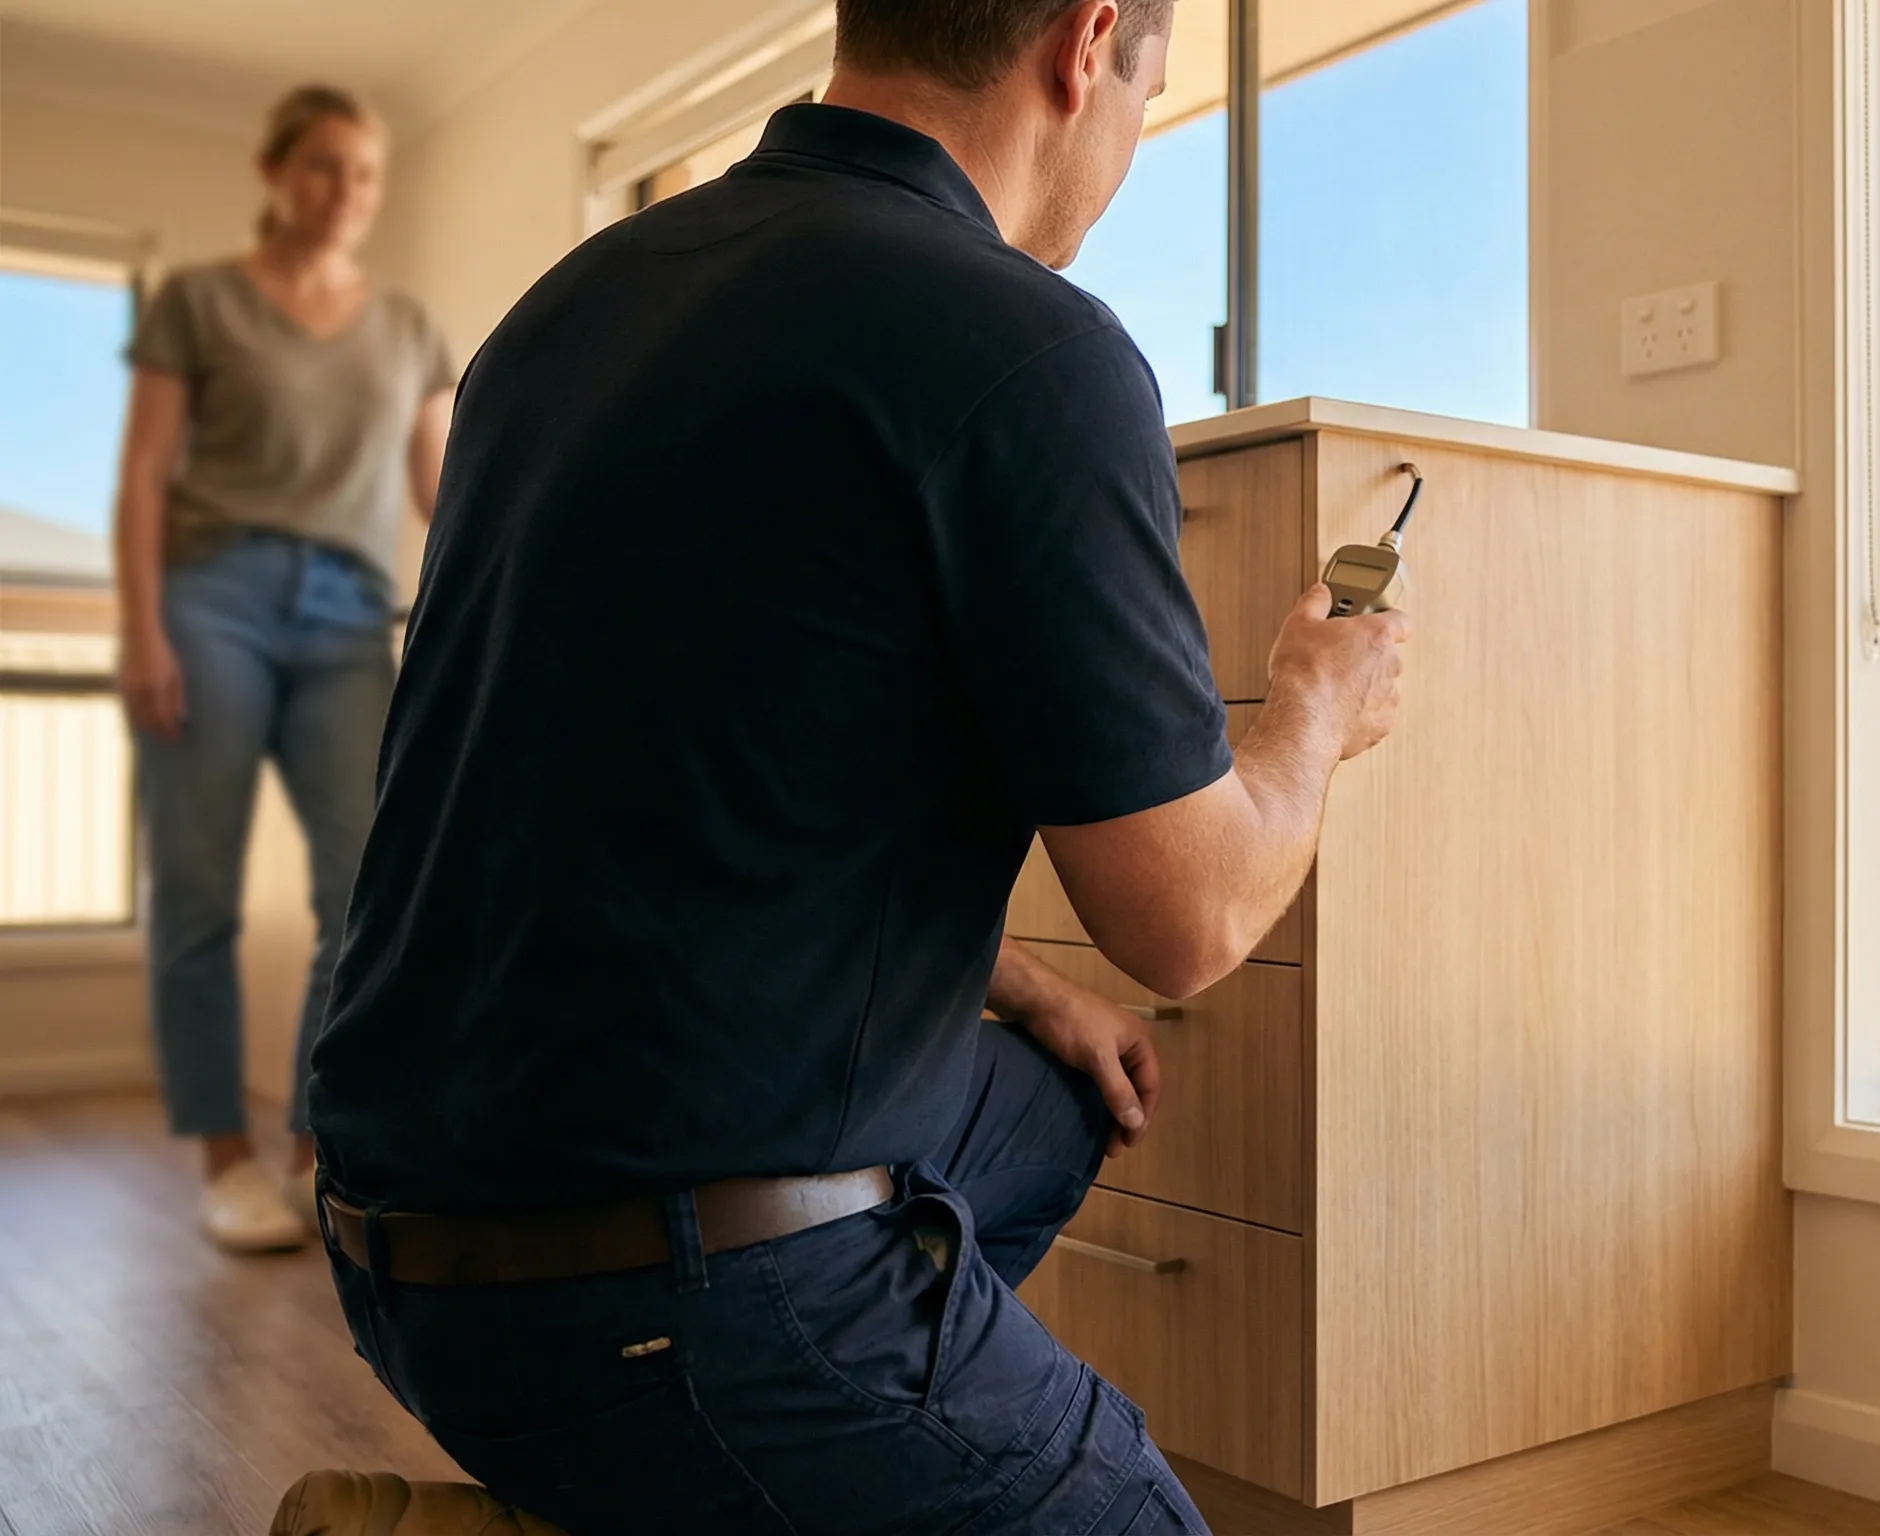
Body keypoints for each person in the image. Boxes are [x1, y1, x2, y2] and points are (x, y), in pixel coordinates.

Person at [298, 1, 1410, 1532]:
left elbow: (665, 761)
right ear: (1090, 44)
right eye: (1155, 88)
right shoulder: (1027, 347)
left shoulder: (564, 315)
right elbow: (1191, 918)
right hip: (646, 1299)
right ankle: (744, 1435)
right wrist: (1311, 712)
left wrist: (1020, 982)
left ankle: (684, 1486)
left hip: (397, 1239)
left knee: (1053, 1103)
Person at [112, 83, 457, 1253]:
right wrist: (142, 631)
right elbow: (144, 475)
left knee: (361, 891)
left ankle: (320, 1148)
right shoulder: (199, 304)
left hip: (350, 615)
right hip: (213, 599)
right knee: (197, 885)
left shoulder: (405, 329)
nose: (344, 193)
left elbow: (442, 497)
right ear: (274, 173)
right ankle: (223, 1159)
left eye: (363, 174)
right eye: (321, 167)